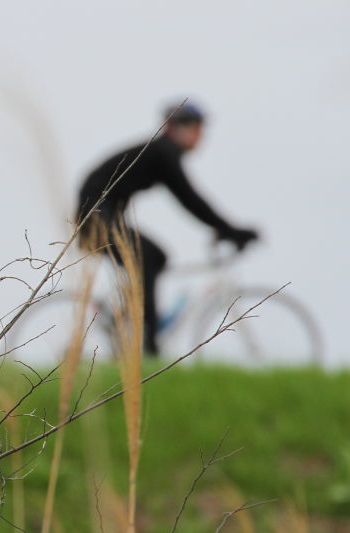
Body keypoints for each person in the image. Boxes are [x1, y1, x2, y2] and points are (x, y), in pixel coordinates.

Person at [77, 102, 258, 355]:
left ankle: (129, 319)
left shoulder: (161, 152)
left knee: (156, 256)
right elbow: (189, 198)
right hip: (95, 220)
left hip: (101, 218)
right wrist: (229, 230)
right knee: (146, 258)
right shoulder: (163, 152)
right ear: (178, 129)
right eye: (197, 130)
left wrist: (224, 228)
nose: (200, 137)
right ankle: (149, 344)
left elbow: (189, 200)